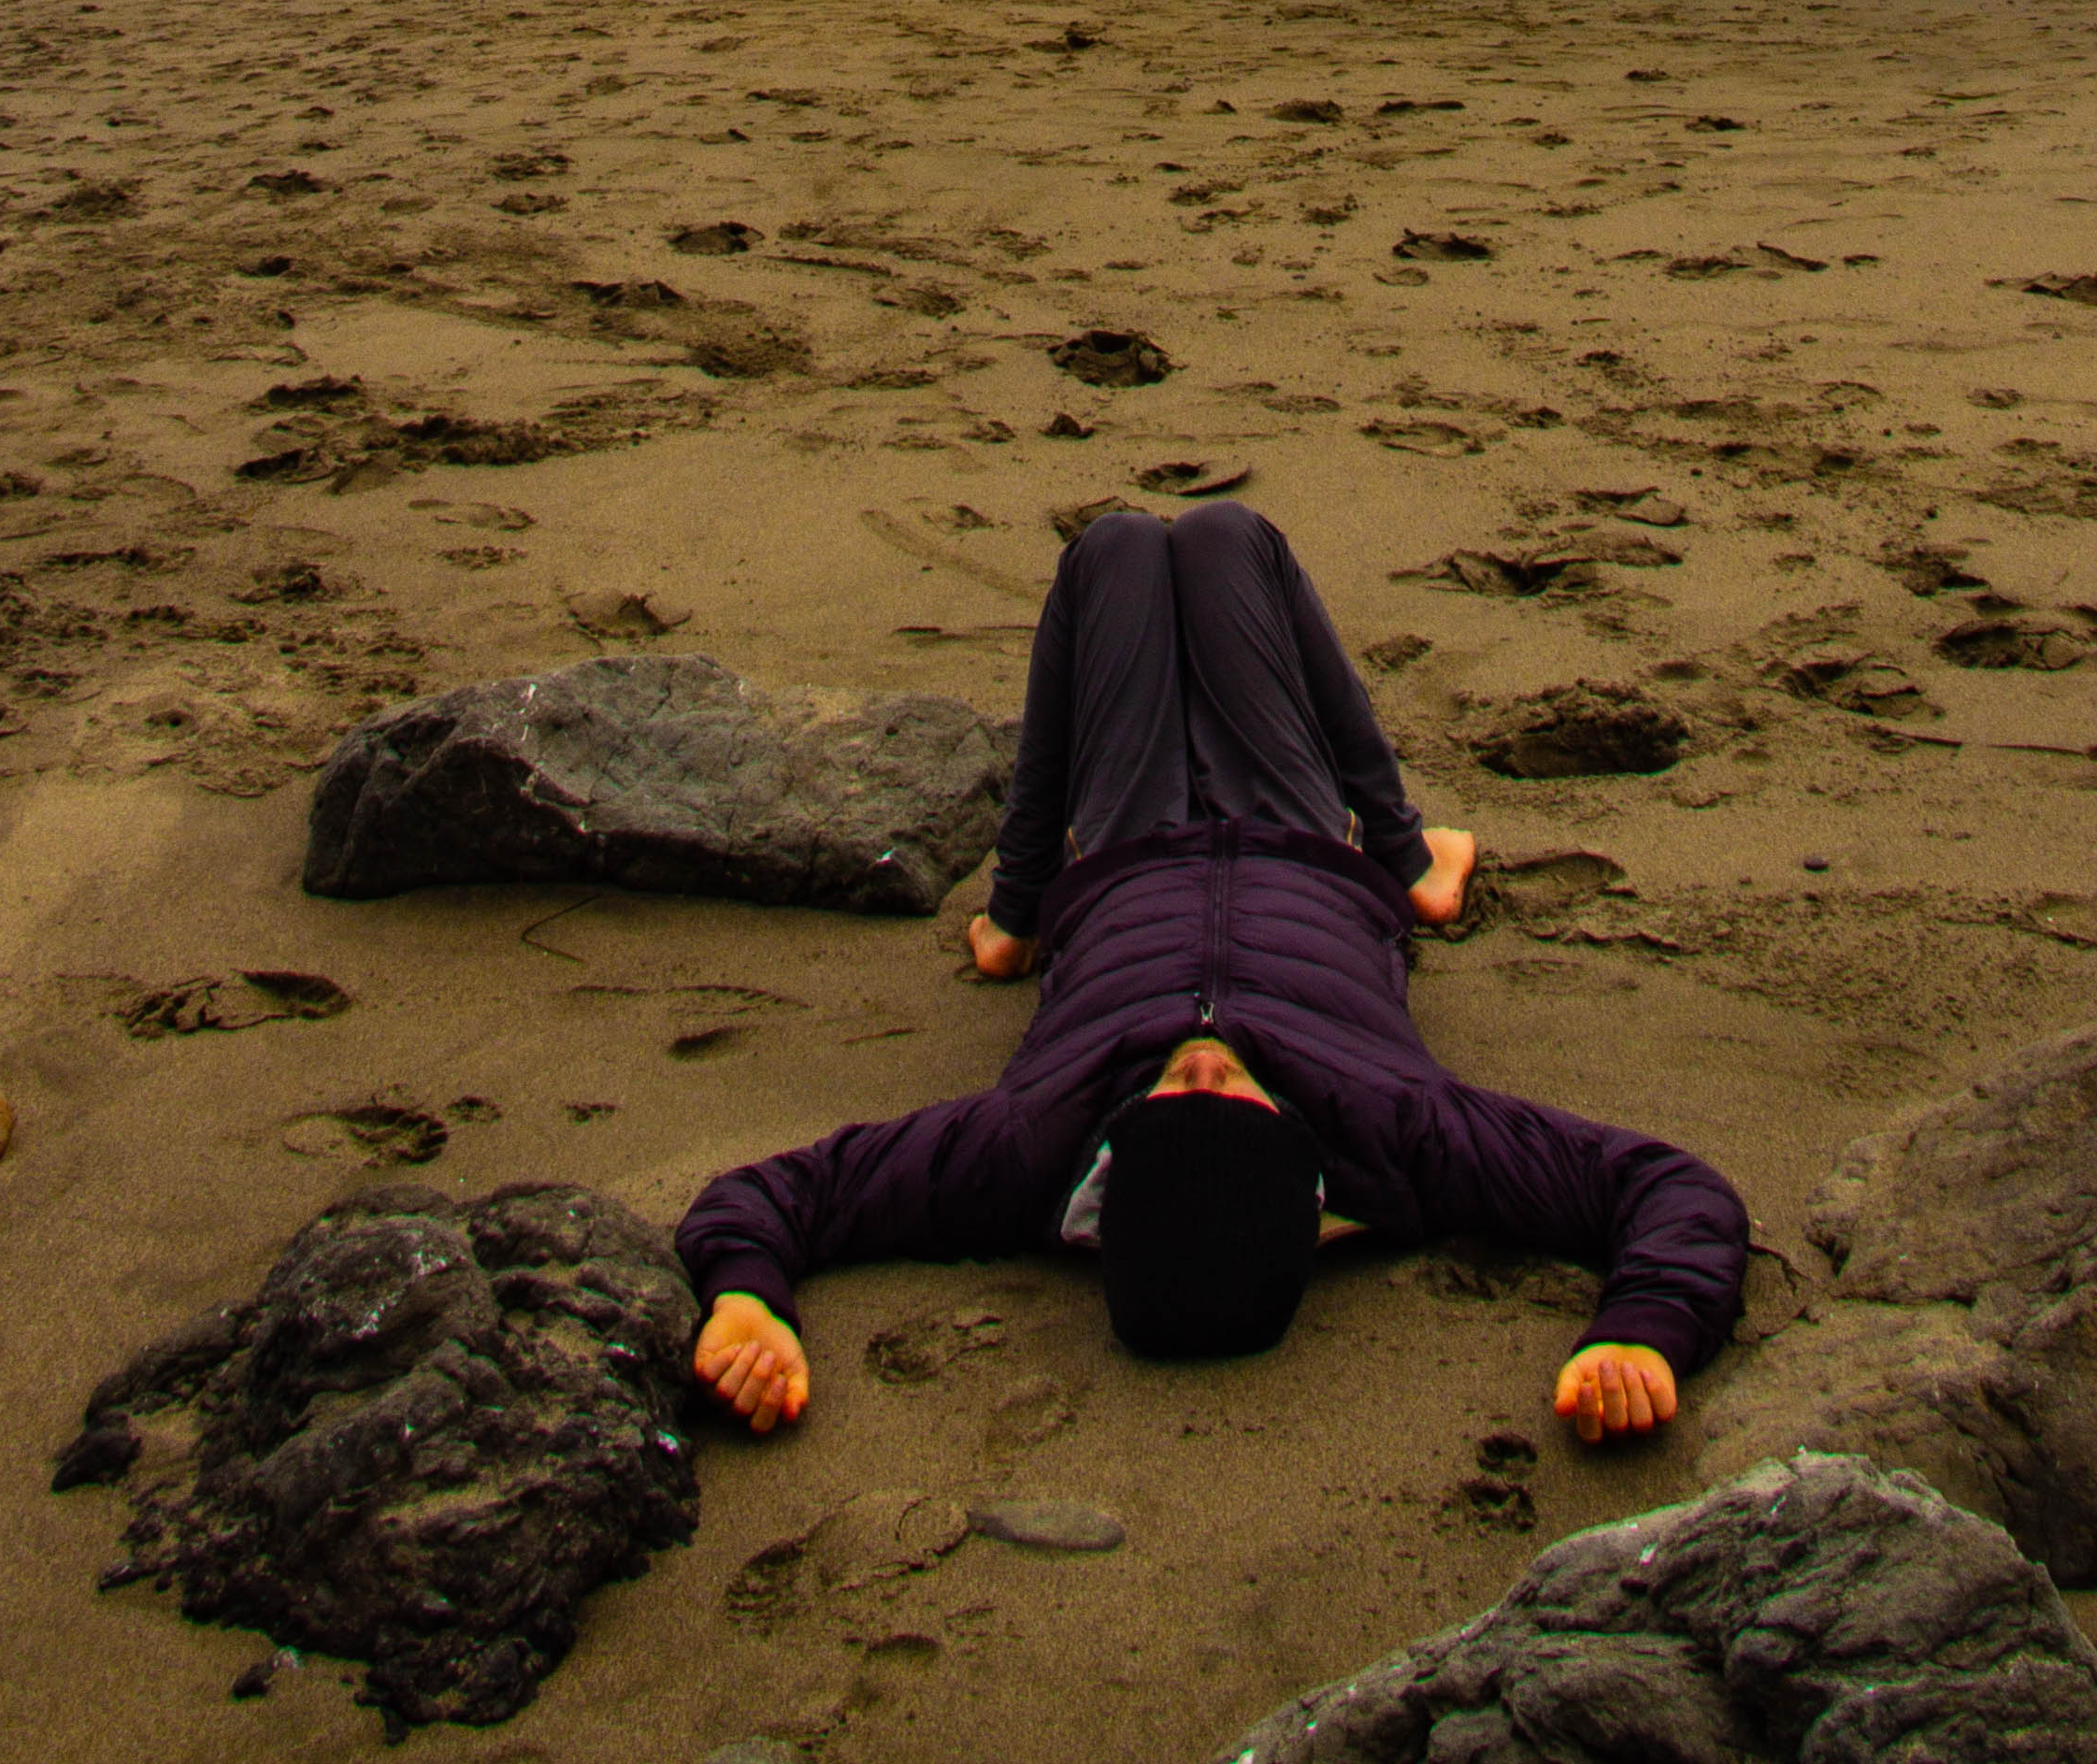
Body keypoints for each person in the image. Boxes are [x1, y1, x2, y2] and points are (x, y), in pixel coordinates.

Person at [680, 500, 1747, 1444]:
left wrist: (744, 1300)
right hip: (1304, 848)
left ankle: (1013, 913)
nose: (1204, 1058)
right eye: (1231, 1093)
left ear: (1112, 1164)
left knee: (1116, 549)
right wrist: (1644, 1335)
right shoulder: (1406, 1131)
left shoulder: (1024, 1148)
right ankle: (1413, 862)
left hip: (1120, 857)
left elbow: (781, 1197)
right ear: (1298, 1152)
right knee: (1233, 538)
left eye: (1171, 1093)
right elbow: (1666, 1189)